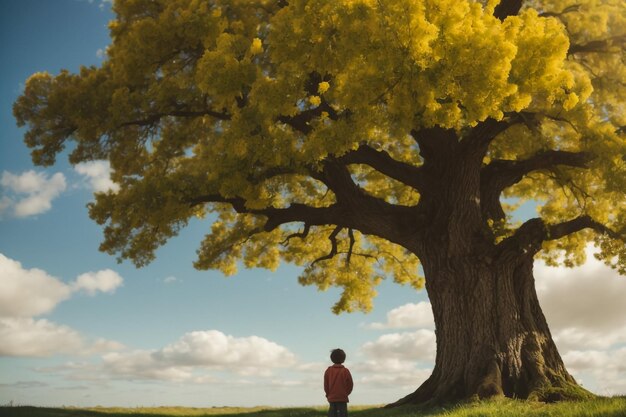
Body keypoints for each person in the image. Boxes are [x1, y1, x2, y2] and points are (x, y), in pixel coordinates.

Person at [324, 348, 354, 417]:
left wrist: (327, 394)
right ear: (343, 359)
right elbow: (350, 384)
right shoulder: (346, 371)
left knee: (332, 414)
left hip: (332, 397)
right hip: (342, 397)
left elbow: (326, 385)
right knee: (343, 414)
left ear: (332, 359)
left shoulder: (328, 371)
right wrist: (346, 393)